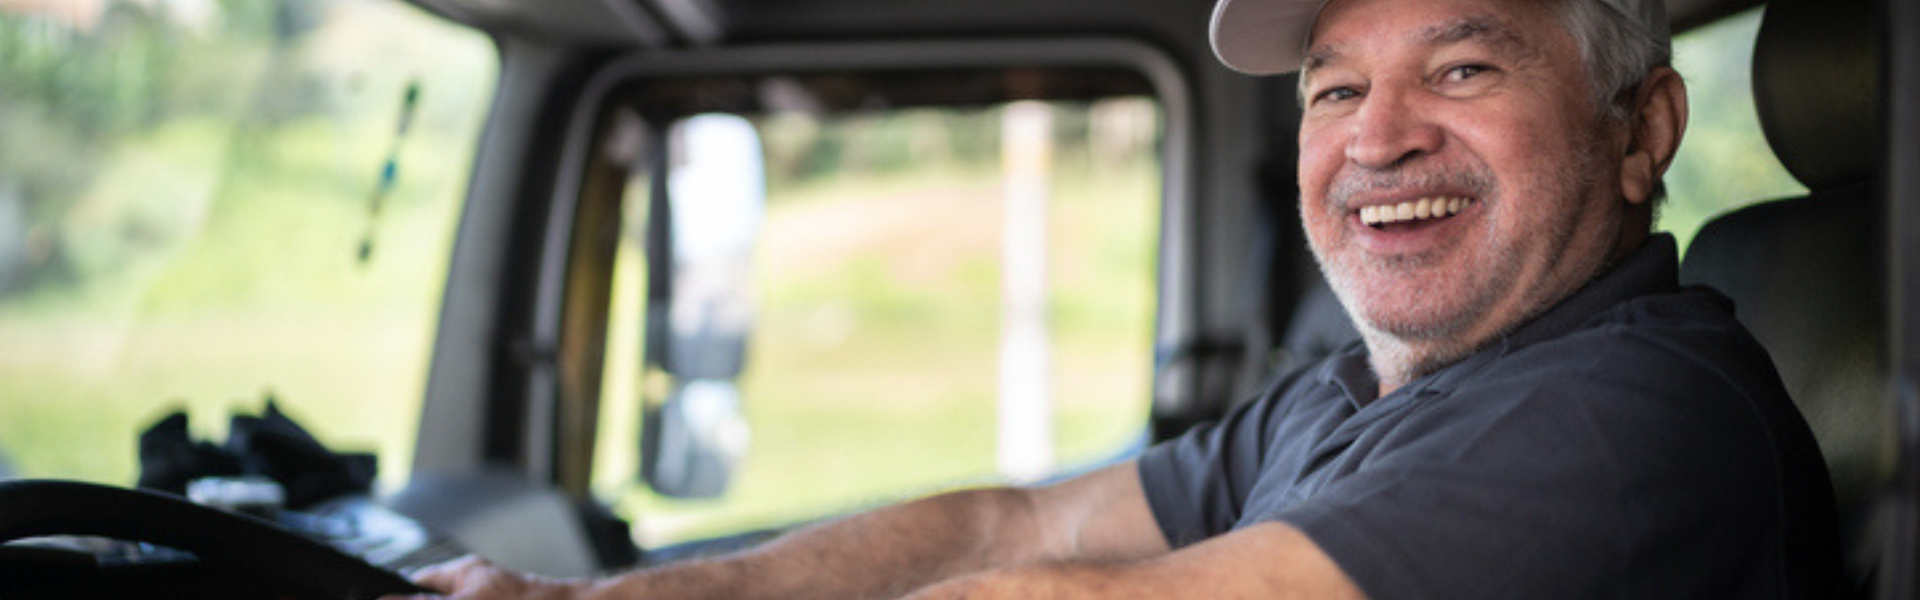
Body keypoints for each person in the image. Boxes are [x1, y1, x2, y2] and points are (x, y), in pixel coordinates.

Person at [390, 0, 1842, 597]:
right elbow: (1011, 527)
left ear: (1641, 129)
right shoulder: (1366, 390)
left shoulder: (1636, 414)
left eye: (1462, 69)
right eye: (1336, 89)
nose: (1379, 138)